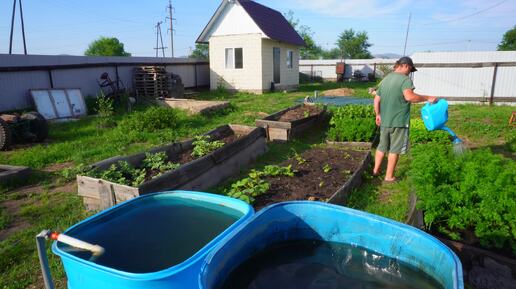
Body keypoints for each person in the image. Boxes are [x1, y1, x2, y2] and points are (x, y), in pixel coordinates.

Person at [370, 56, 437, 182]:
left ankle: (375, 171)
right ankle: (389, 177)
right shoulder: (405, 80)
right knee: (395, 149)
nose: (410, 73)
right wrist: (427, 98)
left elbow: (376, 99)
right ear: (406, 66)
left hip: (384, 120)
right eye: (410, 70)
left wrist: (378, 114)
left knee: (381, 146)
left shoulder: (386, 79)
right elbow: (409, 97)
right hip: (399, 122)